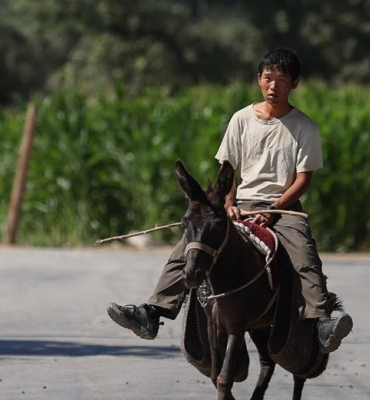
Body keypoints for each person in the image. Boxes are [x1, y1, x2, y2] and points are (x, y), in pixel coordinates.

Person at [107, 47, 353, 354]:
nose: (273, 86)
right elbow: (229, 169)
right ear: (258, 80)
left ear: (295, 84)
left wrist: (275, 209)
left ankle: (320, 321)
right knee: (191, 244)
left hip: (283, 207)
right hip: (239, 204)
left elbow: (303, 180)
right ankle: (153, 312)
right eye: (268, 78)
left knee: (304, 255)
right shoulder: (241, 119)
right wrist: (228, 204)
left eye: (282, 79)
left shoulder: (305, 127)